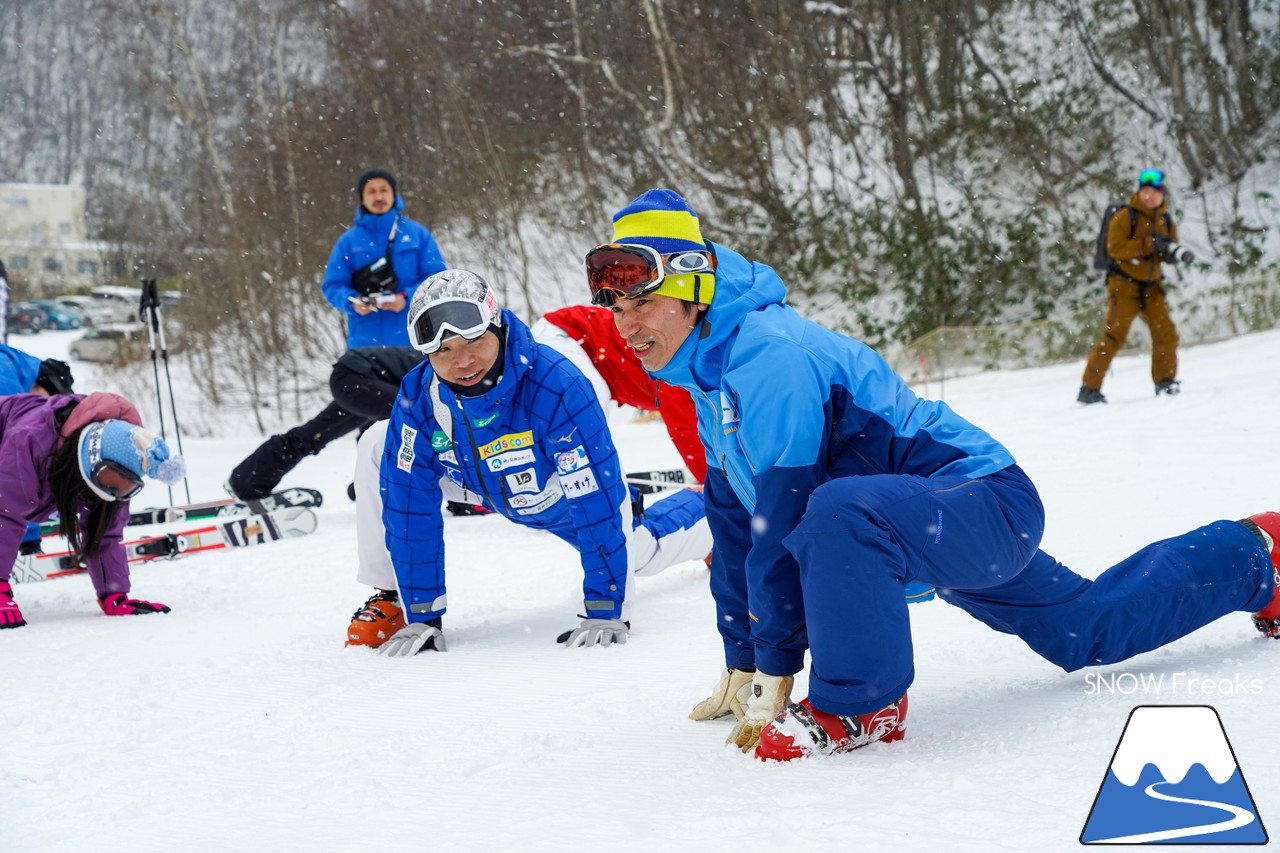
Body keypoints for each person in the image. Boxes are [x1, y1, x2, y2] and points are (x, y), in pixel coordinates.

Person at [586, 188, 1279, 761]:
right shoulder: (711, 381)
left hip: (979, 497)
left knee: (834, 510)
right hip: (917, 520)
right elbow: (737, 523)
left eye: (641, 303)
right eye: (616, 308)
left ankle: (865, 703)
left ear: (692, 289)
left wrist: (782, 668)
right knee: (1084, 629)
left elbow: (785, 515)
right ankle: (1259, 554)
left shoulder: (770, 355)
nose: (626, 325)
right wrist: (745, 660)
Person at [345, 269, 713, 652]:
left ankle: (713, 507)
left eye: (473, 340)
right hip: (475, 480)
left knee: (639, 555)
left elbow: (595, 496)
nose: (463, 360)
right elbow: (409, 505)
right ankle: (394, 598)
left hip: (553, 489)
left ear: (498, 327)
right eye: (443, 350)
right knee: (378, 442)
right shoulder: (420, 394)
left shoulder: (557, 384)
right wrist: (423, 613)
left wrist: (606, 606)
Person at [0, 392, 186, 629]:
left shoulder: (117, 473)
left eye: (126, 488)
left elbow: (105, 535)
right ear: (89, 459)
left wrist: (114, 595)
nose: (112, 491)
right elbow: (5, 513)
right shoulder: (29, 441)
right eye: (108, 478)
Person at [225, 345, 424, 507]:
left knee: (313, 436)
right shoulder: (439, 373)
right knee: (413, 417)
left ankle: (246, 482)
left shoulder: (441, 367)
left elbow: (372, 435)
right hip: (356, 377)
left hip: (355, 378)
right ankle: (373, 485)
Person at [533, 305, 705, 482]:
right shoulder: (678, 367)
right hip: (564, 334)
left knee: (581, 409)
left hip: (571, 341)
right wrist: (712, 478)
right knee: (587, 406)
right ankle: (592, 482)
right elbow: (684, 429)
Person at [1079, 168, 1188, 404]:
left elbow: (1168, 249)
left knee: (1166, 335)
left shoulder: (1165, 220)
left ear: (1163, 195)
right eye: (1145, 191)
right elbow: (1115, 248)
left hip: (1152, 288)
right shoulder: (1125, 217)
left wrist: (1170, 253)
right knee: (1114, 337)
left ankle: (1166, 382)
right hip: (1123, 287)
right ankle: (1089, 389)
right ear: (1139, 192)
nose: (1149, 196)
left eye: (1154, 192)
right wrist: (1148, 245)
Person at [321, 168, 448, 348]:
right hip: (365, 345)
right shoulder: (348, 241)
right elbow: (332, 285)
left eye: (384, 190)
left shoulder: (418, 235)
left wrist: (406, 298)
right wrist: (354, 303)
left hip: (416, 340)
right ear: (362, 198)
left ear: (394, 194)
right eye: (371, 191)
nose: (378, 197)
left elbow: (437, 279)